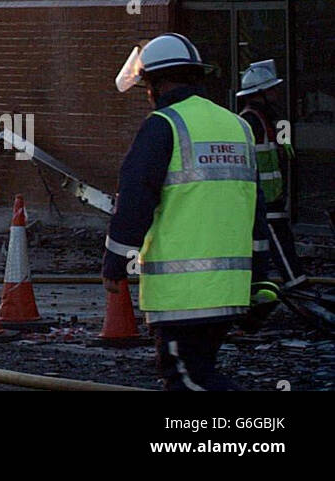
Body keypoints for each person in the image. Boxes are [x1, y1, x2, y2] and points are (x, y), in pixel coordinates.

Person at [104, 33, 270, 390]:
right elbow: (256, 208)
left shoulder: (163, 125)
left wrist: (115, 262)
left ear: (156, 84)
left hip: (183, 296)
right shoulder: (237, 126)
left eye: (147, 86)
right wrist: (261, 278)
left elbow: (134, 199)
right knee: (200, 371)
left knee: (188, 381)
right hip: (230, 290)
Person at [236, 60, 300, 280]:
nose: (276, 93)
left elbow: (286, 153)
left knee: (282, 247)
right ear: (259, 93)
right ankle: (295, 287)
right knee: (279, 251)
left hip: (273, 199)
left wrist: (283, 128)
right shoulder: (249, 120)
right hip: (263, 200)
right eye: (272, 89)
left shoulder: (272, 119)